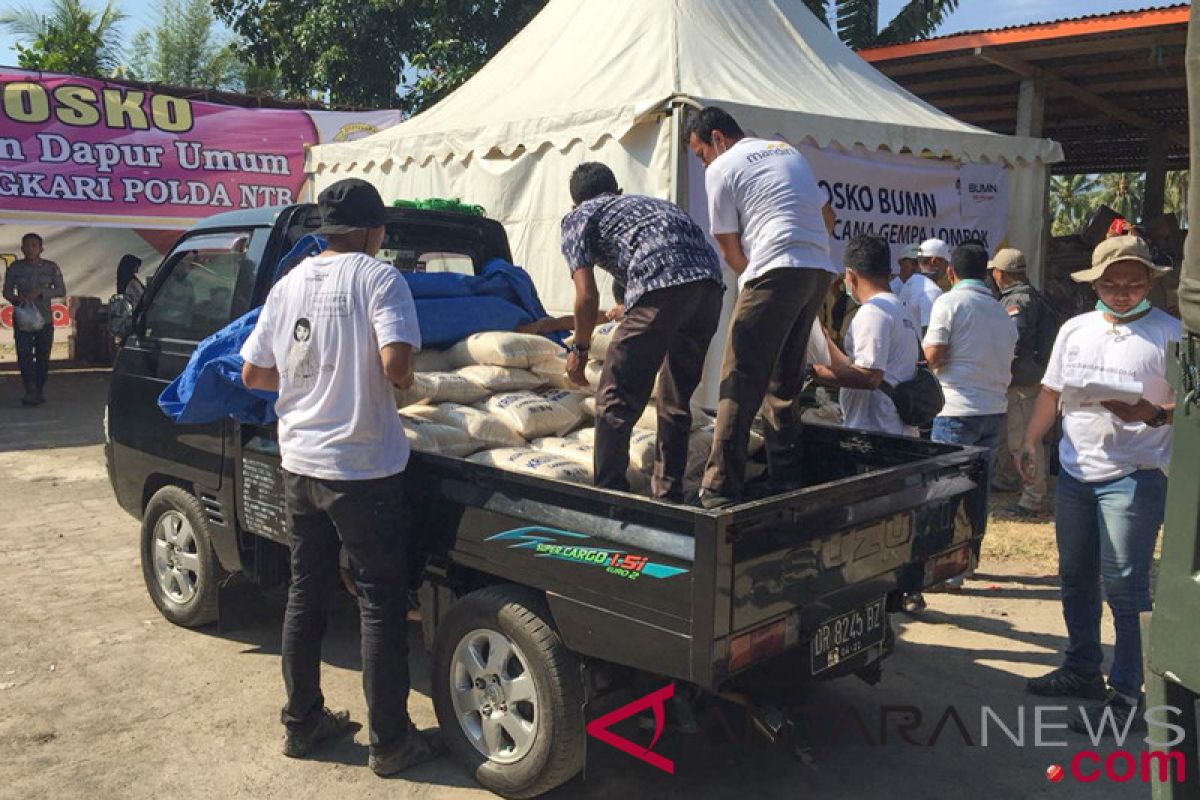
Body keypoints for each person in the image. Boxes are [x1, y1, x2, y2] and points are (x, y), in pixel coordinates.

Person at [240, 178, 440, 776]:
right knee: (379, 604)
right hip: (362, 470)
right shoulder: (380, 279)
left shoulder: (288, 284)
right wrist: (376, 376)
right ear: (373, 231)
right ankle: (391, 742)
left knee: (306, 593)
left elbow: (254, 373)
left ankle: (302, 724)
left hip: (299, 464)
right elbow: (397, 368)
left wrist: (311, 385)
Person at [1021, 235, 1178, 734]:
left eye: (1134, 283)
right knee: (1075, 577)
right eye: (1111, 283)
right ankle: (1082, 668)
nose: (1123, 292)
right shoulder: (1074, 330)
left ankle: (1131, 693)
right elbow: (1051, 390)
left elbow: (1186, 406)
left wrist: (1151, 413)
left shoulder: (1170, 335)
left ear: (1151, 282)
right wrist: (1029, 441)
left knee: (1126, 588)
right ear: (1094, 284)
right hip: (1076, 472)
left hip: (1135, 476)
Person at [685, 106, 837, 507]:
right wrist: (804, 248)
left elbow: (727, 245)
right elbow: (827, 215)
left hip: (775, 269)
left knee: (739, 378)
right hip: (816, 270)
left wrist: (753, 278)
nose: (703, 163)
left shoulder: (721, 167)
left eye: (701, 153)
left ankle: (719, 488)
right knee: (783, 383)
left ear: (716, 138)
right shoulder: (786, 151)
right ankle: (785, 479)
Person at [560, 162, 723, 501]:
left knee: (615, 396)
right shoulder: (650, 205)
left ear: (575, 202)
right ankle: (667, 493)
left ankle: (610, 498)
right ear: (617, 191)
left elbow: (586, 296)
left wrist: (579, 349)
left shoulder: (578, 217)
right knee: (675, 397)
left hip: (661, 284)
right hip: (709, 287)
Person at [923, 241, 1018, 575]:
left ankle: (946, 569)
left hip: (956, 410)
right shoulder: (1001, 310)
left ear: (950, 272)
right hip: (993, 411)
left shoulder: (949, 302)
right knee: (978, 492)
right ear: (987, 274)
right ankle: (968, 562)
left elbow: (934, 356)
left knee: (946, 493)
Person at [810, 235, 919, 436]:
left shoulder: (873, 312)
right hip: (891, 429)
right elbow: (858, 365)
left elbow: (869, 378)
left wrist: (811, 371)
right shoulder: (897, 308)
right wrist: (824, 340)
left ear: (850, 275)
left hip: (876, 432)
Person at [988, 248, 1057, 519]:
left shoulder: (1018, 300)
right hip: (1026, 378)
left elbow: (1012, 339)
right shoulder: (1030, 295)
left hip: (1021, 381)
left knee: (1023, 440)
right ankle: (1009, 479)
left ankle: (1033, 498)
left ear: (1001, 273)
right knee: (1011, 436)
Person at [3, 233, 66, 406]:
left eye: (34, 246)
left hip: (44, 318)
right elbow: (7, 291)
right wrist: (17, 299)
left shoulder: (51, 268)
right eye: (27, 246)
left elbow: (61, 290)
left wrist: (41, 292)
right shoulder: (15, 268)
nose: (30, 249)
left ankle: (39, 388)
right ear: (22, 248)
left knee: (43, 355)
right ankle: (29, 389)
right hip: (23, 317)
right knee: (24, 355)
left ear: (41, 248)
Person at [897, 242, 943, 334]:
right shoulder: (891, 290)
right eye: (913, 262)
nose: (917, 267)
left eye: (920, 262)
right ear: (900, 263)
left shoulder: (927, 287)